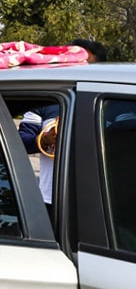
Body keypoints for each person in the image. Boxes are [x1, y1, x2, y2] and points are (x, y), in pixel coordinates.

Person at [18, 39, 107, 211]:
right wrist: (44, 139)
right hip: (52, 200)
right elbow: (20, 142)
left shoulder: (110, 104)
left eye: (87, 66)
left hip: (101, 204)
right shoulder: (45, 102)